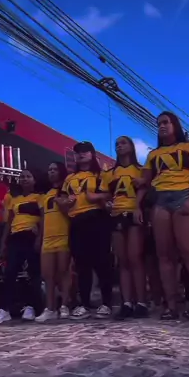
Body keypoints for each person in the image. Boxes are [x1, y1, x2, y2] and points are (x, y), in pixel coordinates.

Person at [137, 111, 189, 321]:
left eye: (166, 122)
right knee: (164, 256)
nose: (162, 126)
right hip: (160, 200)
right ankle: (171, 306)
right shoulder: (153, 154)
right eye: (159, 123)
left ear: (175, 125)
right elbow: (145, 181)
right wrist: (137, 197)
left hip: (184, 196)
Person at [56, 141, 113, 319]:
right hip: (76, 221)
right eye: (78, 152)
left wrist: (95, 196)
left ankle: (106, 303)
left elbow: (111, 194)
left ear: (92, 154)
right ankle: (85, 304)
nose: (81, 154)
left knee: (102, 262)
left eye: (85, 151)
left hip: (97, 218)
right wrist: (66, 202)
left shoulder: (100, 174)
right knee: (81, 265)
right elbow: (61, 199)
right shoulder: (69, 178)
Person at [99, 136, 148, 319]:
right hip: (116, 215)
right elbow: (104, 196)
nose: (119, 146)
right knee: (123, 261)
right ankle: (126, 303)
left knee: (135, 258)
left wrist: (137, 207)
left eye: (123, 143)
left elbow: (145, 189)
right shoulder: (109, 173)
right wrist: (107, 205)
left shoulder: (141, 170)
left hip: (133, 214)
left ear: (131, 147)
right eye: (117, 144)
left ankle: (141, 302)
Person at [0, 169, 43, 324]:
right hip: (15, 237)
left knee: (33, 274)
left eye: (28, 176)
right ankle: (4, 309)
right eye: (22, 177)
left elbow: (44, 218)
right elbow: (9, 222)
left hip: (31, 236)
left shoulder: (40, 197)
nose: (25, 179)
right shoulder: (14, 199)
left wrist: (39, 237)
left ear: (34, 180)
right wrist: (3, 243)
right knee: (10, 273)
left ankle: (31, 307)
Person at [35, 161, 71, 322]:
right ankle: (50, 308)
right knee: (47, 275)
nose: (51, 172)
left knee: (63, 272)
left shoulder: (67, 190)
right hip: (47, 238)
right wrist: (40, 237)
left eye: (55, 169)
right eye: (49, 170)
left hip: (63, 235)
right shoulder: (45, 195)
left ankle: (64, 306)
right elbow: (43, 218)